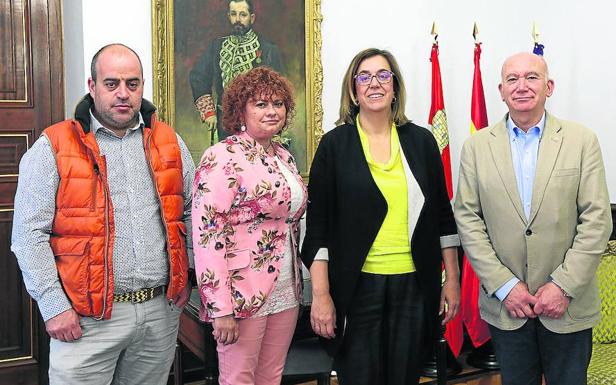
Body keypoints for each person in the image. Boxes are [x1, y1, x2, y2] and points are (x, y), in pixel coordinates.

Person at [11, 44, 195, 385]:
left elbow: (192, 213)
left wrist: (189, 274)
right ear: (92, 86)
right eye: (111, 84)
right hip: (86, 320)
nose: (123, 94)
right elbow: (28, 236)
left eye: (132, 83)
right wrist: (54, 306)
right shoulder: (54, 146)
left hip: (159, 313)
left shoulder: (169, 141)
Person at [301, 48, 460, 385]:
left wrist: (454, 281)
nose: (374, 83)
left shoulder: (422, 142)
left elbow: (444, 218)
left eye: (383, 75)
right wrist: (321, 294)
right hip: (356, 288)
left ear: (395, 87)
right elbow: (318, 231)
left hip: (415, 286)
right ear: (353, 90)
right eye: (364, 77)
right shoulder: (333, 146)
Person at [454, 52, 612, 385]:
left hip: (568, 306)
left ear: (549, 86)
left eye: (531, 77)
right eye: (512, 79)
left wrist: (563, 286)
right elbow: (468, 220)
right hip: (508, 308)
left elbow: (597, 219)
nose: (521, 86)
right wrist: (505, 286)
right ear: (500, 90)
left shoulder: (582, 141)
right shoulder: (476, 147)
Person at [192, 67, 307, 385]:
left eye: (278, 103)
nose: (272, 111)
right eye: (260, 103)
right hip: (241, 294)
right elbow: (207, 235)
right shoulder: (221, 157)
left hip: (286, 288)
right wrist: (220, 309)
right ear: (240, 109)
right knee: (239, 379)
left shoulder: (283, 155)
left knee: (271, 377)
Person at [190, 0, 282, 144]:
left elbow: (278, 92)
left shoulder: (268, 50)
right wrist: (209, 112)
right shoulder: (217, 46)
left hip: (258, 124)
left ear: (252, 18)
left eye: (242, 15)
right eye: (234, 14)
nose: (237, 20)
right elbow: (198, 76)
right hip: (225, 122)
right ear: (228, 16)